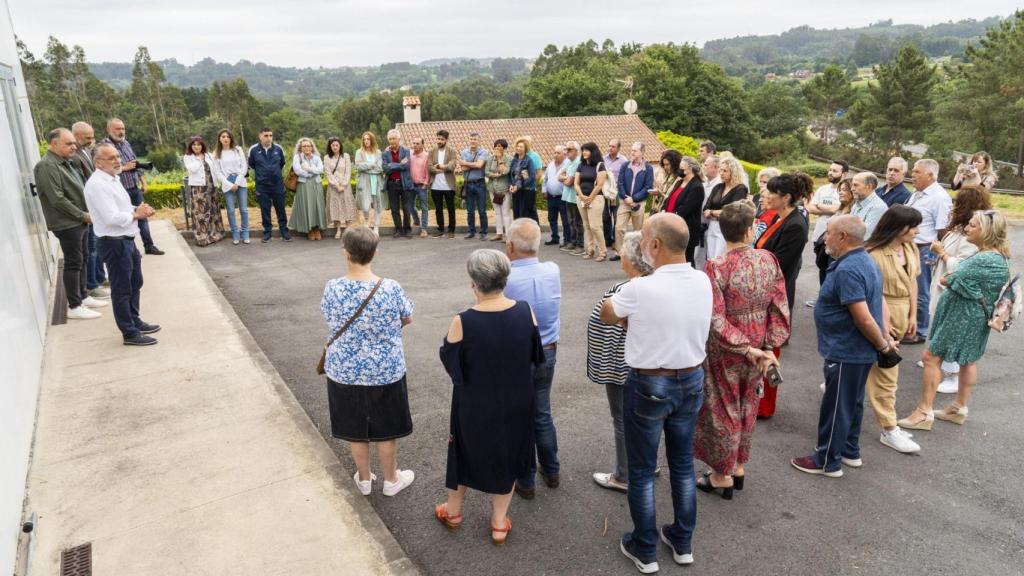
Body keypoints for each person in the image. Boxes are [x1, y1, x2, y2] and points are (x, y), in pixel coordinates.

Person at [600, 213, 712, 573]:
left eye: (646, 238)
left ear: (656, 245)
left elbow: (607, 314)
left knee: (644, 469)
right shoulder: (702, 280)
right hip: (692, 378)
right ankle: (683, 541)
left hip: (649, 382)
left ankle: (645, 546)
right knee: (681, 466)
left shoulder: (639, 288)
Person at [436, 249, 544, 545]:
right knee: (508, 453)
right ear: (505, 280)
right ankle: (498, 522)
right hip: (518, 399)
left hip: (475, 402)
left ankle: (453, 511)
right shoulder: (526, 311)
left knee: (463, 451)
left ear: (474, 284)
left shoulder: (463, 321)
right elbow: (536, 356)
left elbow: (452, 365)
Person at [695, 202, 789, 498]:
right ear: (750, 230)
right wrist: (769, 346)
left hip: (728, 350)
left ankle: (722, 474)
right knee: (748, 406)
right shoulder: (768, 259)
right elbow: (780, 305)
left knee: (724, 410)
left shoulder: (716, 267)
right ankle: (738, 467)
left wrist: (747, 348)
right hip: (759, 346)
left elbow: (715, 317)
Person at [791, 215, 896, 478]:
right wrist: (882, 338)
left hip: (848, 349)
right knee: (851, 402)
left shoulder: (849, 268)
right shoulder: (864, 260)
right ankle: (849, 450)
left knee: (837, 405)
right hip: (854, 350)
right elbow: (878, 302)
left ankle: (827, 460)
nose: (824, 238)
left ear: (843, 237)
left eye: (828, 233)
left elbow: (862, 315)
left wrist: (883, 345)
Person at [321, 226, 415, 496]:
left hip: (344, 369)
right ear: (375, 252)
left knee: (354, 427)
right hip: (384, 369)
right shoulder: (389, 288)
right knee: (386, 429)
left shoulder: (333, 288)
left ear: (346, 253)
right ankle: (391, 479)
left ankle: (364, 479)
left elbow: (329, 318)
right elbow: (406, 317)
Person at [898, 210, 1010, 432]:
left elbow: (953, 276)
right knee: (968, 359)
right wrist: (952, 280)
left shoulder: (985, 258)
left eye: (972, 225)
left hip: (962, 314)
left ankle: (923, 412)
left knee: (931, 357)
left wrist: (951, 280)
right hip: (974, 313)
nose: (967, 228)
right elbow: (957, 278)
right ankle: (958, 408)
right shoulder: (994, 256)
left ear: (986, 231)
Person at [589, 231, 653, 493]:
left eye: (624, 253)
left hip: (623, 366)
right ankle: (646, 464)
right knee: (647, 418)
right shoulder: (657, 284)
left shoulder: (627, 290)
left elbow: (609, 324)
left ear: (635, 259)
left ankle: (624, 475)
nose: (621, 257)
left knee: (623, 419)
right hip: (651, 366)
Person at [502, 219, 562, 499]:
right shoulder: (552, 270)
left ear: (510, 246)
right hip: (548, 349)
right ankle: (551, 468)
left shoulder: (506, 278)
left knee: (520, 416)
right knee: (542, 411)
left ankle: (525, 480)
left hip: (517, 353)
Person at [84, 143, 160, 345]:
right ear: (98, 163)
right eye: (111, 158)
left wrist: (138, 208)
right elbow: (111, 217)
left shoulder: (113, 179)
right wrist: (136, 214)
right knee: (122, 289)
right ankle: (129, 333)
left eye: (117, 156)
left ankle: (135, 321)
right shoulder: (97, 184)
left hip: (126, 240)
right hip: (113, 243)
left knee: (135, 282)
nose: (117, 160)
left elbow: (123, 208)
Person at [862, 206, 923, 454]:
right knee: (888, 373)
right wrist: (885, 330)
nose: (918, 231)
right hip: (881, 313)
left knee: (871, 365)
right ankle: (889, 428)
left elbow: (913, 282)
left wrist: (912, 315)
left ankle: (834, 383)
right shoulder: (874, 253)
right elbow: (875, 294)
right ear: (899, 228)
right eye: (914, 226)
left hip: (902, 309)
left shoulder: (910, 248)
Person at [754, 173, 812, 418]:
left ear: (786, 197)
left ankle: (765, 406)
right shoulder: (780, 217)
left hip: (774, 295)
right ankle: (757, 398)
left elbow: (779, 265)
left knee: (769, 349)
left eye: (772, 193)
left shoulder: (796, 225)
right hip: (763, 290)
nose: (766, 196)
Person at [35, 128, 108, 319]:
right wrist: (82, 215)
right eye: (68, 143)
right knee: (74, 262)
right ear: (54, 144)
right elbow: (57, 199)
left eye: (73, 143)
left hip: (78, 219)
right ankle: (75, 306)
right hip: (67, 223)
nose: (73, 146)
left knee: (82, 258)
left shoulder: (64, 162)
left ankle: (83, 296)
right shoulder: (47, 166)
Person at [925, 186, 992, 393]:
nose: (952, 205)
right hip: (944, 283)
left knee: (950, 334)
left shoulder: (971, 235)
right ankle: (940, 362)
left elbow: (964, 267)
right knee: (939, 327)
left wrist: (941, 252)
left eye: (957, 202)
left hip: (954, 291)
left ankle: (953, 377)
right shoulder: (959, 228)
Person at [904, 158, 953, 344]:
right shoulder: (917, 194)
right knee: (909, 288)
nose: (912, 175)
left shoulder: (939, 197)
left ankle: (921, 331)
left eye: (917, 172)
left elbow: (943, 230)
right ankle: (909, 326)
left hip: (924, 249)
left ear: (930, 175)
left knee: (921, 291)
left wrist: (934, 254)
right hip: (910, 246)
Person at [101, 118, 163, 254]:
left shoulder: (126, 143)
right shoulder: (104, 147)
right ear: (109, 130)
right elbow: (105, 169)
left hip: (134, 188)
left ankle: (149, 246)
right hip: (119, 191)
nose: (121, 131)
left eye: (123, 128)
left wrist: (143, 181)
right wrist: (124, 167)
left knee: (143, 216)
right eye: (117, 129)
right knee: (126, 220)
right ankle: (130, 250)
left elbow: (135, 164)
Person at [70, 121, 108, 299]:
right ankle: (92, 285)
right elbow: (83, 184)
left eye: (92, 137)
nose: (92, 140)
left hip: (92, 208)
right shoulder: (75, 156)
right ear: (76, 136)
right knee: (91, 248)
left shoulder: (84, 151)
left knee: (95, 247)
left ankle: (99, 277)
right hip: (87, 209)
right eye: (88, 138)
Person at [806, 160, 847, 294]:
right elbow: (811, 208)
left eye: (835, 171)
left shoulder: (844, 191)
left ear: (844, 174)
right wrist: (830, 209)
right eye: (830, 169)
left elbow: (839, 208)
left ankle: (827, 298)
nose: (830, 172)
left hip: (835, 239)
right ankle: (821, 296)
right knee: (821, 268)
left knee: (832, 270)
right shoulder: (823, 189)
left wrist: (820, 206)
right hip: (819, 236)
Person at [611, 142, 654, 262]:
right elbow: (620, 183)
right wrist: (626, 198)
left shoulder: (648, 168)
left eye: (635, 151)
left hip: (639, 203)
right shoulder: (625, 165)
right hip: (624, 201)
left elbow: (648, 187)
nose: (632, 153)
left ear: (642, 152)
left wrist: (634, 199)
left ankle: (637, 253)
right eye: (631, 150)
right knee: (619, 228)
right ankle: (619, 252)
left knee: (637, 230)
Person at [247, 127, 291, 242]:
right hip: (262, 186)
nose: (269, 138)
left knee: (281, 209)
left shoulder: (279, 149)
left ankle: (284, 232)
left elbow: (281, 163)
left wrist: (274, 174)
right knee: (265, 210)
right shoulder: (253, 150)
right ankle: (267, 233)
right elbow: (251, 165)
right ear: (260, 136)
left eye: (271, 135)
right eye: (266, 135)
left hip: (277, 185)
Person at [702, 156, 748, 261]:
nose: (721, 173)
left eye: (725, 171)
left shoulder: (740, 189)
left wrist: (712, 212)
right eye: (720, 170)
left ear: (733, 171)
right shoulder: (718, 187)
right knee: (710, 259)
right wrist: (717, 212)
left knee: (721, 259)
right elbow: (705, 209)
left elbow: (734, 211)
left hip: (727, 229)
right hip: (712, 227)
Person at [182, 135, 225, 246]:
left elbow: (215, 168)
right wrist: (200, 159)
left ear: (202, 145)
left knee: (213, 210)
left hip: (211, 186)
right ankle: (202, 237)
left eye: (199, 144)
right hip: (199, 188)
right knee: (201, 213)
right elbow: (192, 169)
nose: (197, 147)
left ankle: (215, 235)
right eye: (194, 145)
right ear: (191, 146)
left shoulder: (208, 155)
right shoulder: (188, 157)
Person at [662, 155, 705, 265]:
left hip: (686, 229)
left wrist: (670, 218)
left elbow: (685, 209)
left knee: (687, 260)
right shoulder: (680, 182)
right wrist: (663, 211)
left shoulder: (697, 187)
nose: (679, 170)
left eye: (682, 168)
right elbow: (669, 199)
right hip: (672, 225)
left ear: (690, 169)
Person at [211, 129, 251, 245]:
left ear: (231, 138)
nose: (225, 138)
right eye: (223, 136)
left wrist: (237, 182)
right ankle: (235, 234)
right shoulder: (216, 154)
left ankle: (245, 234)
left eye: (228, 136)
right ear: (219, 139)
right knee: (231, 210)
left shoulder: (237, 150)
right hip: (227, 182)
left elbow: (244, 167)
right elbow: (218, 173)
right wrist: (230, 184)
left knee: (243, 209)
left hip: (240, 181)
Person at [575, 142, 608, 261]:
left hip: (596, 199)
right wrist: (581, 195)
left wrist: (590, 198)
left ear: (593, 152)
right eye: (583, 150)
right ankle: (590, 250)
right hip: (581, 199)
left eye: (587, 150)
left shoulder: (600, 165)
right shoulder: (580, 165)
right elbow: (576, 183)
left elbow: (600, 184)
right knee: (587, 226)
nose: (584, 152)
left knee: (595, 226)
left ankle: (603, 251)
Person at [290, 137, 327, 240]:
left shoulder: (317, 157)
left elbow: (320, 170)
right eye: (304, 146)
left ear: (312, 147)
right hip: (304, 184)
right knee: (307, 206)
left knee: (317, 206)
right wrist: (311, 173)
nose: (306, 148)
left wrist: (309, 169)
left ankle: (317, 228)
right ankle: (309, 230)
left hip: (316, 184)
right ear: (300, 148)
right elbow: (297, 170)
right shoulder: (297, 157)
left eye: (308, 146)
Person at [382, 129, 415, 239]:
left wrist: (392, 165)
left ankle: (407, 230)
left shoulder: (406, 151)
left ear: (399, 139)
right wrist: (397, 165)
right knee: (394, 209)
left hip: (404, 183)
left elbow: (405, 166)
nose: (392, 141)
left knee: (406, 208)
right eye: (390, 139)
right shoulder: (385, 153)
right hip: (392, 184)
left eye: (394, 138)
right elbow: (385, 169)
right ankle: (398, 229)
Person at [355, 131, 387, 235]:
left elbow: (380, 168)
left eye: (368, 139)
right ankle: (367, 222)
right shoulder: (359, 152)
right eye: (364, 139)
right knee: (365, 205)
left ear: (372, 140)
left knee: (378, 204)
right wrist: (372, 165)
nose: (366, 141)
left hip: (377, 182)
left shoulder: (378, 152)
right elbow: (358, 167)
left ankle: (376, 226)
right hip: (365, 182)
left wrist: (367, 166)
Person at [459, 132, 490, 240]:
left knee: (482, 210)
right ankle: (471, 231)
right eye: (471, 139)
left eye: (475, 139)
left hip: (479, 183)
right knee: (470, 210)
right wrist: (474, 165)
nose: (473, 141)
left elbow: (479, 165)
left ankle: (484, 232)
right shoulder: (464, 152)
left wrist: (466, 163)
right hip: (468, 184)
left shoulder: (484, 152)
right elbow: (462, 169)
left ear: (479, 141)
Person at [324, 137, 356, 238]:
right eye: (333, 145)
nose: (335, 147)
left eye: (337, 145)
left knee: (347, 206)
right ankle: (338, 229)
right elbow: (328, 173)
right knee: (335, 207)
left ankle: (348, 229)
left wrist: (343, 184)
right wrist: (336, 185)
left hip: (345, 186)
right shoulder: (326, 158)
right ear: (330, 146)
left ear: (340, 146)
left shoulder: (345, 156)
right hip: (333, 187)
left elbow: (348, 171)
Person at [429, 129, 458, 238]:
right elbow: (430, 167)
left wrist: (441, 166)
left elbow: (452, 166)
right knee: (438, 209)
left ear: (446, 140)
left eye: (442, 139)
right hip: (435, 185)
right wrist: (441, 169)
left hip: (448, 185)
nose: (439, 141)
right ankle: (440, 229)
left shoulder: (452, 151)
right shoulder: (432, 151)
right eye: (438, 139)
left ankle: (451, 230)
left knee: (451, 209)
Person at [485, 138, 513, 242]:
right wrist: (494, 175)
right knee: (497, 212)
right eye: (496, 146)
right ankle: (499, 233)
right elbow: (486, 172)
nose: (498, 148)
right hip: (492, 188)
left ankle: (508, 235)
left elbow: (505, 171)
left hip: (504, 189)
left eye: (500, 146)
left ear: (504, 148)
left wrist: (500, 159)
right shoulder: (490, 159)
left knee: (505, 212)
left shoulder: (509, 159)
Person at [603, 139, 628, 249]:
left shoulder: (623, 161)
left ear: (618, 148)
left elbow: (626, 177)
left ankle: (615, 240)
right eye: (609, 146)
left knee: (616, 216)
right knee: (605, 216)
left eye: (613, 146)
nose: (610, 148)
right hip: (605, 191)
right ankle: (607, 239)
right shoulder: (603, 159)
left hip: (617, 192)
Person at [543, 145, 570, 247]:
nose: (555, 155)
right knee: (551, 218)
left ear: (564, 154)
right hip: (551, 196)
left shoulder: (568, 164)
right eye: (555, 152)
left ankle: (567, 239)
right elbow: (545, 180)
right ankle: (555, 237)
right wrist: (544, 191)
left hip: (562, 197)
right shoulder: (550, 165)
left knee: (565, 219)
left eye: (558, 153)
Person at [559, 141, 583, 254]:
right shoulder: (568, 161)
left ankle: (580, 245)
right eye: (566, 149)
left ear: (576, 151)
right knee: (571, 221)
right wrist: (566, 178)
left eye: (569, 150)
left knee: (577, 221)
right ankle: (573, 242)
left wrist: (566, 179)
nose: (566, 152)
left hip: (575, 196)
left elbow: (569, 182)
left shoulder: (578, 162)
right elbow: (559, 176)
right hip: (568, 196)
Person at [849, 171, 887, 240]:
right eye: (852, 185)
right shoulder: (857, 203)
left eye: (856, 185)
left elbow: (865, 237)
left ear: (869, 186)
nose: (852, 189)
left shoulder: (879, 207)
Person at [509, 137, 539, 222]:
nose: (518, 148)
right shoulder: (514, 160)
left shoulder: (529, 161)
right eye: (517, 146)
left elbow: (531, 177)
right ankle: (518, 234)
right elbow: (511, 175)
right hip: (516, 191)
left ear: (525, 149)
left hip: (527, 191)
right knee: (516, 213)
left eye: (521, 147)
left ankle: (529, 233)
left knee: (525, 214)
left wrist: (518, 186)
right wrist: (511, 185)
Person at [409, 136, 431, 237]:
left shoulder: (426, 156)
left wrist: (426, 184)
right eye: (414, 143)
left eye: (417, 144)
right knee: (410, 206)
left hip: (422, 185)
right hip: (411, 185)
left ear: (422, 145)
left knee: (424, 207)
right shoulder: (409, 155)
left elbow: (428, 171)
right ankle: (416, 220)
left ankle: (424, 229)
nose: (415, 145)